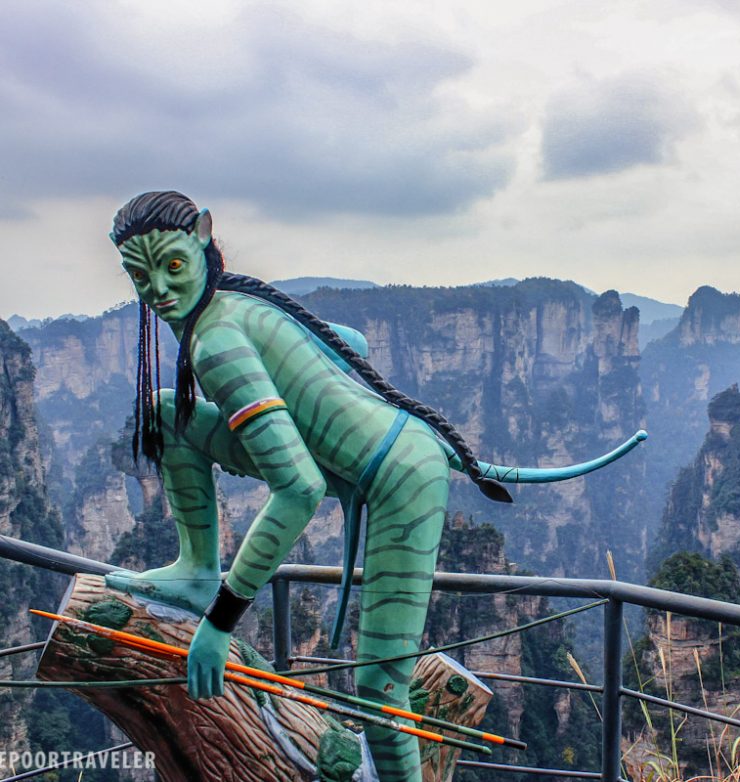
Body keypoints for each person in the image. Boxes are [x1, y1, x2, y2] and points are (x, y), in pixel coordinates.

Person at [105, 191, 645, 781]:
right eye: (141, 276)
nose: (159, 289)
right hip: (375, 451)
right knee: (165, 413)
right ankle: (195, 569)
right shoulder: (239, 301)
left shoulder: (215, 343)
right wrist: (327, 411)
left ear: (203, 237)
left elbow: (299, 490)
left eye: (173, 266)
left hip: (404, 479)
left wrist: (218, 625)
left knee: (380, 689)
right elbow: (352, 342)